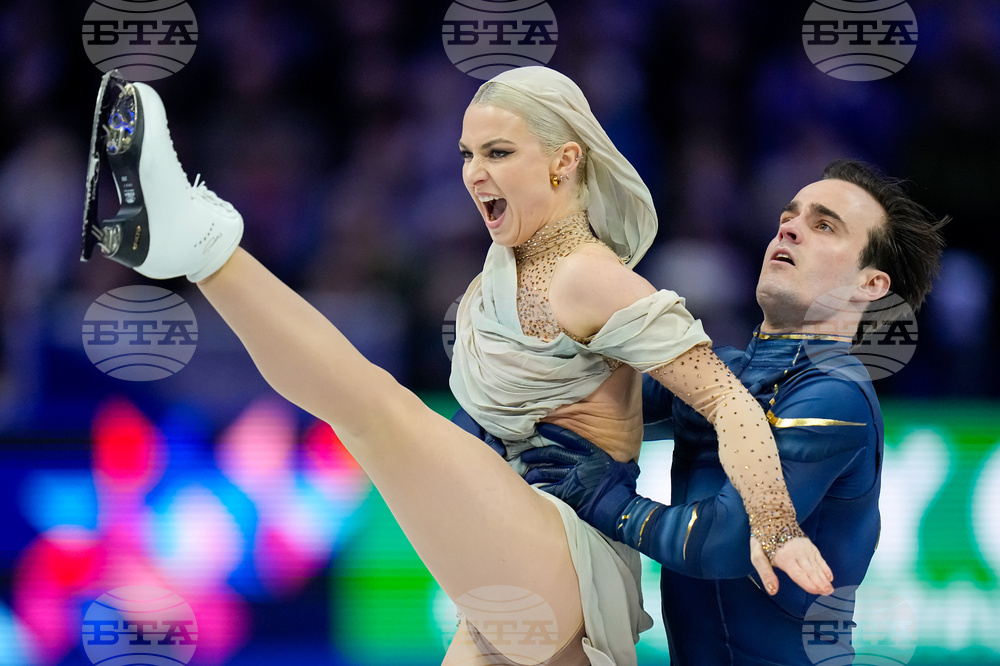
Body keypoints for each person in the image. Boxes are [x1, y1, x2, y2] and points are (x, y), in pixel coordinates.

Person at [81, 67, 832, 665]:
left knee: (377, 411)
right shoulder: (496, 275)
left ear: (565, 162)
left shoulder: (590, 277)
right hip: (514, 578)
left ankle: (199, 243)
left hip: (562, 562)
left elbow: (729, 402)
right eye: (469, 154)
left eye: (499, 153)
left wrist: (776, 525)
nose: (476, 173)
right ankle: (189, 244)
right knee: (376, 415)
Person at [520, 159, 949, 664]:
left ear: (870, 285)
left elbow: (727, 541)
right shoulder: (723, 372)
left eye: (824, 225)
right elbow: (573, 407)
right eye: (789, 217)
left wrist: (600, 498)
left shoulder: (837, 394)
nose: (789, 227)